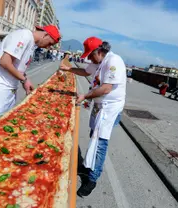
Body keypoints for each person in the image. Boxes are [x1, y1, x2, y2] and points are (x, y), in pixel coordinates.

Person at [60, 37, 126, 197]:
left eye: (90, 54)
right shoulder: (98, 62)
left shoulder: (113, 61)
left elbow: (106, 88)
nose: (88, 58)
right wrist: (68, 69)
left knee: (101, 141)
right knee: (93, 135)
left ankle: (92, 178)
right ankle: (88, 165)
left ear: (100, 51)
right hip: (99, 105)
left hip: (110, 107)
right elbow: (85, 72)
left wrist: (85, 95)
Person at [0, 25, 61, 126]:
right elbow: (5, 62)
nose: (48, 47)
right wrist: (24, 80)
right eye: (50, 43)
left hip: (7, 88)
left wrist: (25, 80)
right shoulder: (24, 36)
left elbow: (18, 66)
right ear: (45, 35)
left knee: (3, 123)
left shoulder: (32, 43)